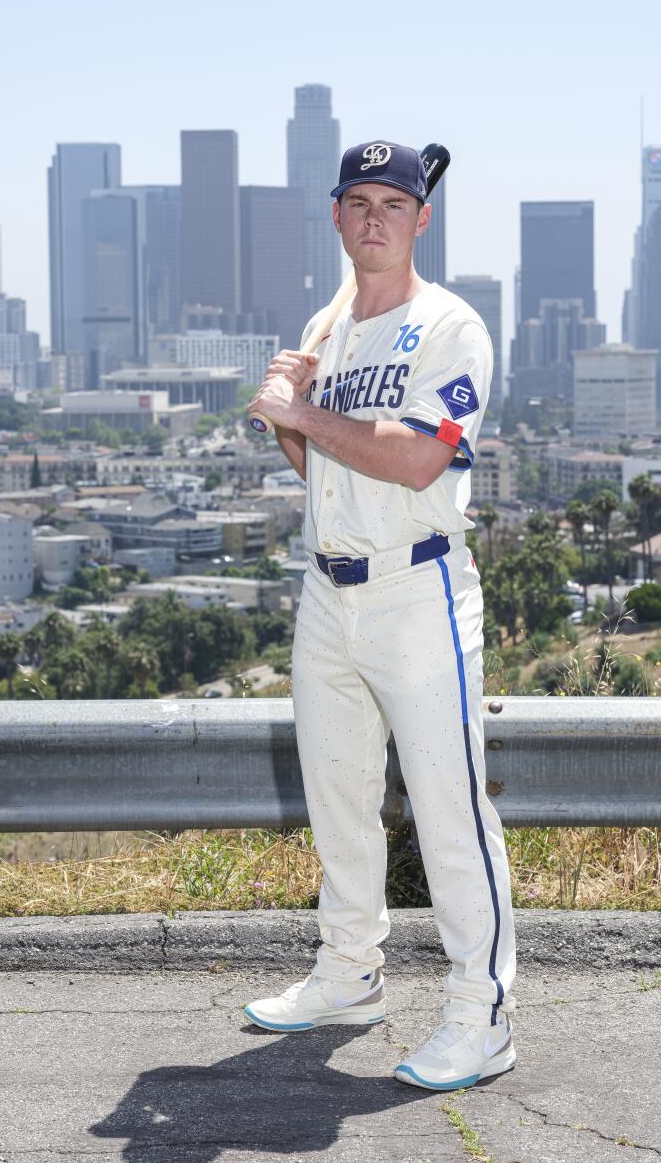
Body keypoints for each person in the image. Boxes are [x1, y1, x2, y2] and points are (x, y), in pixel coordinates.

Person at [244, 140, 516, 1091]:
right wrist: (291, 421)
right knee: (339, 801)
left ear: (420, 220)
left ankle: (482, 1016)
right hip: (329, 589)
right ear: (336, 217)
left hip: (419, 592)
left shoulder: (450, 325)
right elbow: (326, 468)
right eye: (356, 202)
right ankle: (349, 974)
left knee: (449, 813)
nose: (373, 219)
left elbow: (413, 461)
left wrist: (299, 411)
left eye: (390, 205)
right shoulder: (331, 321)